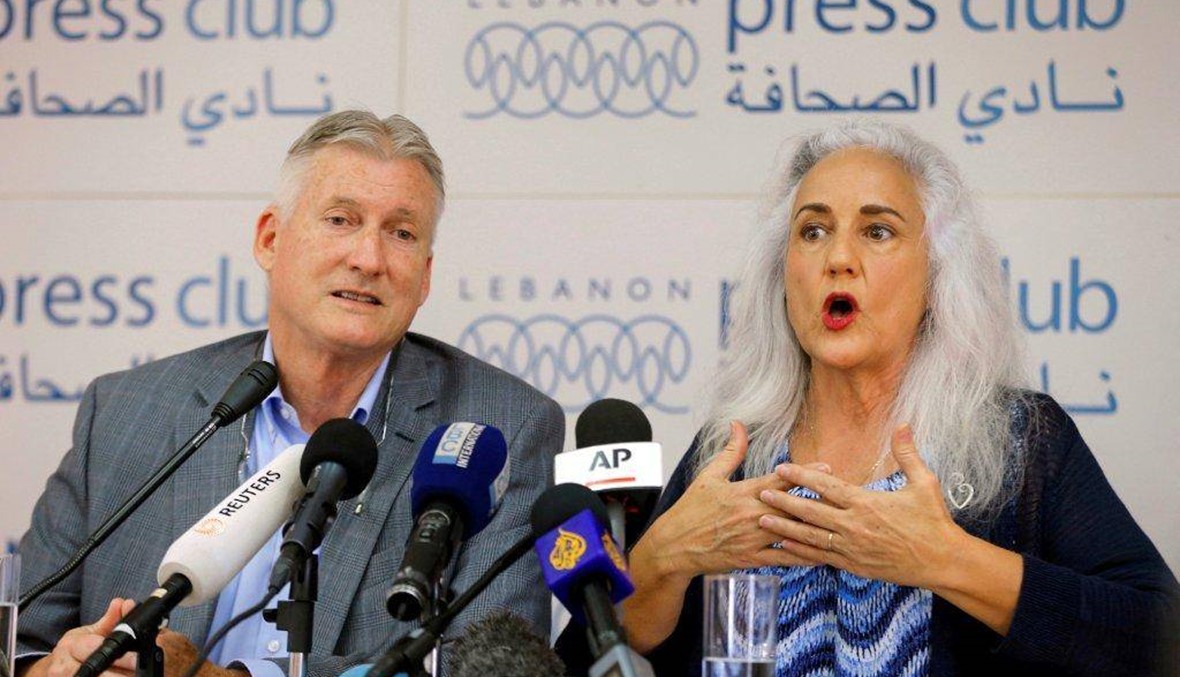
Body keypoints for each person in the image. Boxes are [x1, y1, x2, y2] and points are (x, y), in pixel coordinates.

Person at [565, 120, 1179, 675]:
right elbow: (571, 664)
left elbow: (1160, 639)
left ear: (937, 275)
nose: (838, 258)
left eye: (878, 231)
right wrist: (660, 562)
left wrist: (947, 560)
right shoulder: (732, 454)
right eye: (812, 231)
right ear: (783, 274)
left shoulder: (1021, 440)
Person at [15, 111, 565, 677]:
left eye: (401, 233)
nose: (368, 259)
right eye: (340, 220)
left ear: (424, 276)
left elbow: (483, 668)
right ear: (270, 240)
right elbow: (18, 636)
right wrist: (53, 668)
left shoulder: (500, 430)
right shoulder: (126, 411)